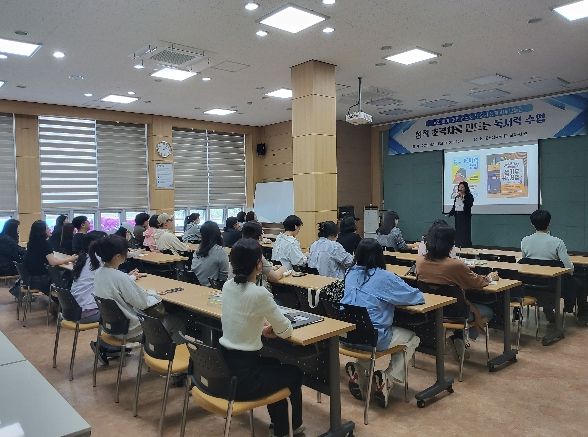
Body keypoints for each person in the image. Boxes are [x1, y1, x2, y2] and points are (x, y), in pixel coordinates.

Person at [219, 238, 303, 437]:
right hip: (246, 380)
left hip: (226, 368)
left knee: (275, 366)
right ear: (259, 264)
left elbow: (242, 319)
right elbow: (285, 331)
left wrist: (260, 329)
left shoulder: (227, 286)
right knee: (294, 372)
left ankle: (281, 428)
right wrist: (272, 329)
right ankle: (295, 427)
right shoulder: (260, 293)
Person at [342, 238, 424, 408]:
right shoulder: (384, 277)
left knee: (366, 332)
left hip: (347, 336)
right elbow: (415, 297)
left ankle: (358, 370)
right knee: (411, 338)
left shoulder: (349, 273)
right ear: (380, 256)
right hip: (373, 339)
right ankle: (388, 378)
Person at [415, 225, 497, 360]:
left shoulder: (420, 262)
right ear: (450, 245)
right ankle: (460, 338)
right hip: (457, 314)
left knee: (461, 302)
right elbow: (477, 283)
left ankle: (458, 338)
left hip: (432, 311)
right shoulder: (455, 265)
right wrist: (489, 278)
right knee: (488, 311)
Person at [521, 209, 586, 323]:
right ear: (549, 222)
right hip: (554, 285)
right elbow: (569, 268)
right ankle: (582, 315)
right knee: (582, 283)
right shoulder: (557, 242)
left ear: (532, 224)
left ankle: (548, 310)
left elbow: (524, 263)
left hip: (530, 285)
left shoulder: (524, 241)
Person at [23, 220, 77, 295]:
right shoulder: (44, 244)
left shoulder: (31, 242)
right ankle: (65, 299)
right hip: (41, 280)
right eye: (47, 228)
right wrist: (70, 259)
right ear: (42, 231)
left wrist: (65, 260)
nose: (49, 230)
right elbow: (53, 262)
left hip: (30, 278)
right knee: (69, 276)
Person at [241, 221, 285, 287]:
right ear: (260, 236)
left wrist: (270, 267)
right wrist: (283, 268)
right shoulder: (255, 252)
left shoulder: (237, 249)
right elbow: (275, 277)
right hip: (254, 290)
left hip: (235, 288)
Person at [191, 221, 230, 287]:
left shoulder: (198, 249)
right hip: (211, 288)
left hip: (195, 285)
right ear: (218, 234)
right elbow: (224, 277)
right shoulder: (220, 251)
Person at [448, 181, 474, 247]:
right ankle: (458, 244)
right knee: (458, 232)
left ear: (465, 188)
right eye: (459, 187)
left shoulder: (469, 196)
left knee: (465, 232)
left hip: (465, 218)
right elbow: (455, 207)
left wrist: (463, 198)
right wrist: (450, 213)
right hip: (458, 217)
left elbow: (469, 205)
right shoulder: (457, 197)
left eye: (462, 187)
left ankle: (466, 246)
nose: (460, 189)